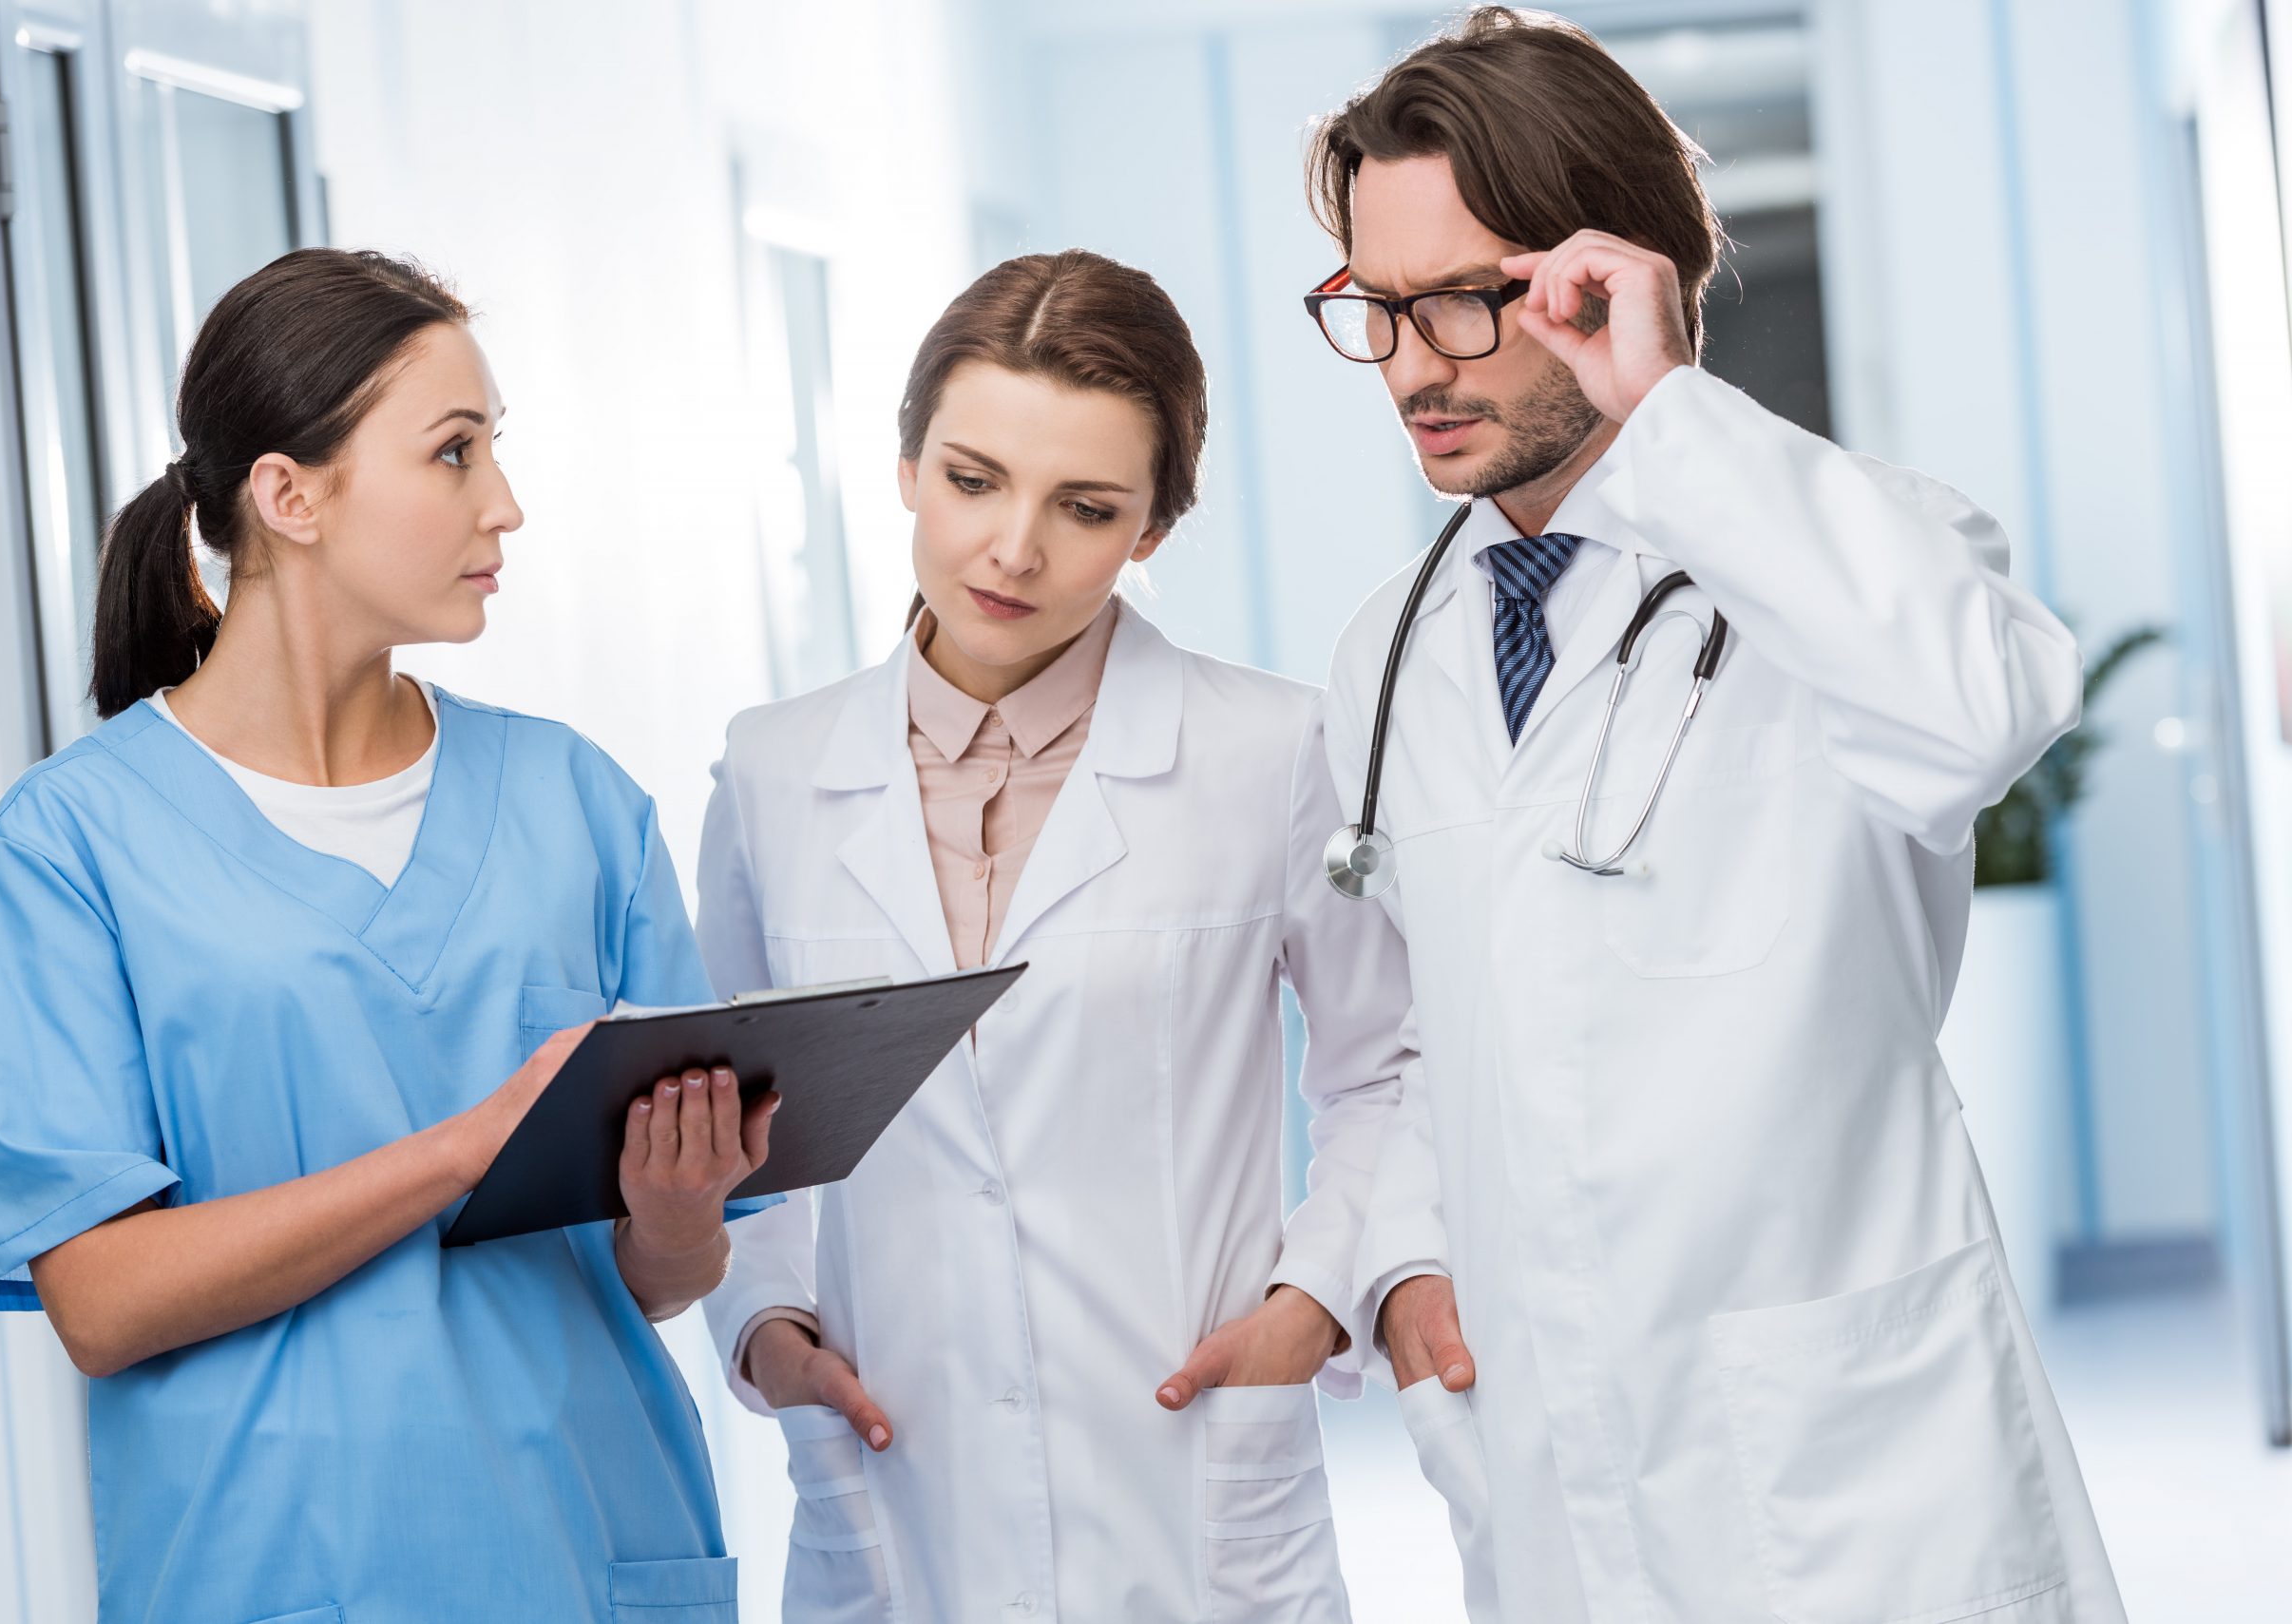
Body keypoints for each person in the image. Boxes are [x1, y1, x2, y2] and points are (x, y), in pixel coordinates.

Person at [1304, 10, 2126, 1622]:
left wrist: (1668, 410)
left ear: (1618, 275)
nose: (1413, 366)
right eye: (1378, 309)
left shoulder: (1855, 548)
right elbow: (1420, 1028)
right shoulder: (1387, 663)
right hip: (1550, 1481)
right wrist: (1401, 1270)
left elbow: (1979, 714)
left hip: (1853, 1489)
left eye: (1468, 301)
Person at [0, 248, 775, 1624]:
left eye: (493, 450)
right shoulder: (65, 849)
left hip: (588, 1553)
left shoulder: (575, 801)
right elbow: (98, 1296)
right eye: (453, 454)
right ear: (290, 496)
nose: (504, 506)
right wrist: (471, 1144)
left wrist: (681, 1209)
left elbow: (658, 1282)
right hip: (275, 1575)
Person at [696, 249, 1416, 1621]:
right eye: (972, 480)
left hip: (1189, 1486)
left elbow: (1389, 1065)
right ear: (906, 463)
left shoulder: (1268, 751)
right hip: (893, 1485)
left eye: (1086, 506)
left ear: (1152, 528)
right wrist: (769, 1326)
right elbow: (731, 1121)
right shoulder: (774, 775)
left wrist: (1313, 1298)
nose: (1013, 548)